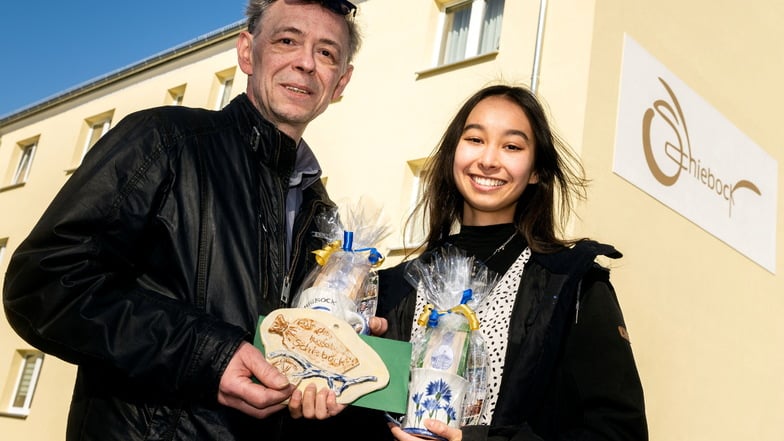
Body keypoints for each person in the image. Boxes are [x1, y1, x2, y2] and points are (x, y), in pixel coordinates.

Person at [2, 1, 384, 440]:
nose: (305, 62)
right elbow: (43, 282)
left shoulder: (323, 215)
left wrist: (339, 343)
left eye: (327, 53)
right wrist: (209, 355)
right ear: (247, 52)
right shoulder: (161, 142)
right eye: (287, 41)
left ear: (341, 83)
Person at [376, 84, 648, 441]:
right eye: (475, 139)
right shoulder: (395, 286)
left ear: (537, 171)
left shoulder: (571, 284)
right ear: (452, 154)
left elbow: (619, 432)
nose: (488, 159)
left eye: (512, 146)